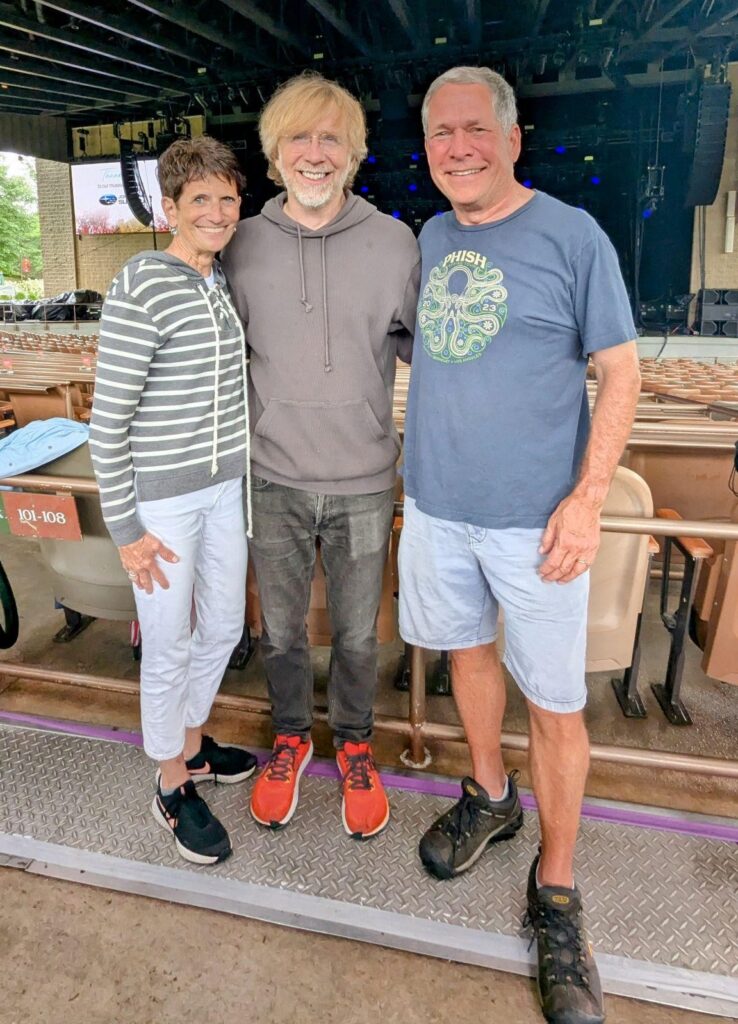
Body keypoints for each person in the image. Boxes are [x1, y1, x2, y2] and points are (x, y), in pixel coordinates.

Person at [399, 67, 641, 1024]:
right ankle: (492, 796)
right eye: (440, 134)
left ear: (511, 139)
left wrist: (588, 499)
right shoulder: (431, 236)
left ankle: (559, 888)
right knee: (467, 656)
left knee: (554, 703)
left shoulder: (574, 236)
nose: (456, 148)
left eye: (474, 130)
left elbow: (620, 372)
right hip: (439, 508)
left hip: (538, 523)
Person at [223, 72, 420, 840]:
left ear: (354, 152)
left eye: (330, 138)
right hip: (271, 476)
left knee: (359, 635)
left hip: (364, 480)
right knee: (279, 632)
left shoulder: (395, 242)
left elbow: (431, 352)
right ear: (275, 153)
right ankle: (291, 738)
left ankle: (356, 743)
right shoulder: (241, 244)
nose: (314, 153)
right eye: (298, 138)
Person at [89, 136, 257, 866]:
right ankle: (170, 782)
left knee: (221, 627)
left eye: (227, 198)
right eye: (200, 200)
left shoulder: (220, 281)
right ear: (170, 207)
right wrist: (127, 529)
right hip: (164, 504)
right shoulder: (143, 281)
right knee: (168, 643)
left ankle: (189, 744)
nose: (217, 212)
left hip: (224, 493)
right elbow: (107, 423)